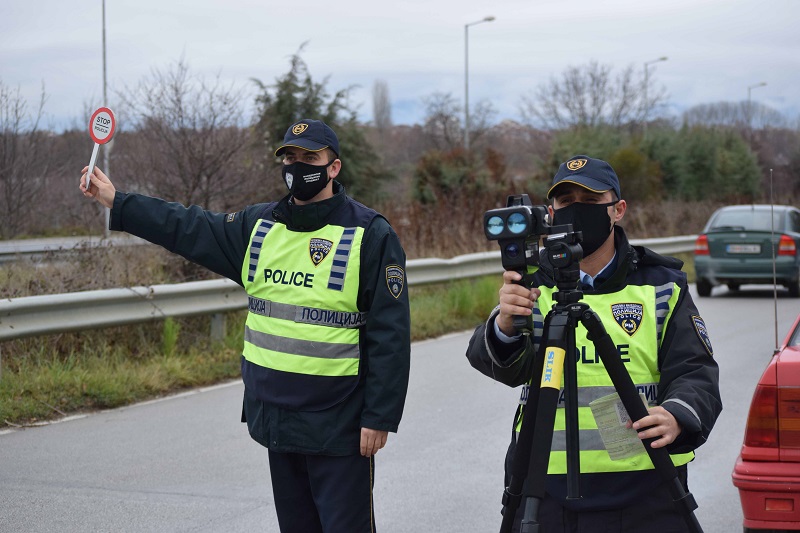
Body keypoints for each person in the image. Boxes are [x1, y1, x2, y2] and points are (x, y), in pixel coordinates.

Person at [80, 118, 411, 532]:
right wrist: (119, 202)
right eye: (289, 157)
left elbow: (390, 334)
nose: (297, 165)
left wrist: (379, 416)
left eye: (310, 158)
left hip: (338, 425)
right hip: (276, 418)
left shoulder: (370, 234)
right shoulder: (259, 226)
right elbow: (187, 226)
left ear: (334, 167)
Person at [466, 155, 722, 532]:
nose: (577, 210)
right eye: (566, 201)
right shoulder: (534, 286)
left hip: (647, 486)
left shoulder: (660, 286)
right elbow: (503, 366)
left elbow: (695, 371)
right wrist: (505, 324)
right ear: (550, 213)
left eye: (589, 201)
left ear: (618, 210)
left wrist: (676, 415)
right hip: (544, 489)